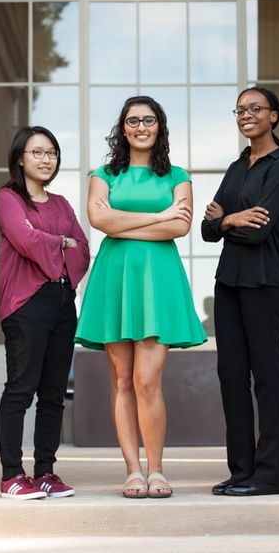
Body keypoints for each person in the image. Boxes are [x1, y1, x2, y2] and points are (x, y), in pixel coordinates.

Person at [75, 96, 207, 499]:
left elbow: (180, 228)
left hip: (157, 279)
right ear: (123, 127)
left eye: (149, 119)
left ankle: (157, 469)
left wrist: (126, 223)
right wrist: (158, 216)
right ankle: (132, 471)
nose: (141, 126)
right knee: (122, 380)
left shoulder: (178, 175)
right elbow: (99, 221)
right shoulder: (104, 173)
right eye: (133, 120)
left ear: (159, 126)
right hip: (115, 278)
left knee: (147, 380)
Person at [202, 86, 279, 497]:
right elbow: (206, 229)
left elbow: (259, 232)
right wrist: (231, 220)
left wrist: (229, 220)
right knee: (231, 374)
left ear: (273, 115)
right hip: (229, 283)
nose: (245, 115)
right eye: (239, 110)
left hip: (266, 281)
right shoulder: (238, 166)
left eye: (254, 109)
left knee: (267, 376)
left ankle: (271, 474)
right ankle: (242, 470)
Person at [0, 126, 90, 499]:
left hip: (63, 302)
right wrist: (59, 243)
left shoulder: (63, 203)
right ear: (20, 158)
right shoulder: (9, 198)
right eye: (37, 152)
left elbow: (82, 248)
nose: (45, 159)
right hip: (25, 303)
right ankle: (12, 475)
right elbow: (25, 239)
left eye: (51, 152)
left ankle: (46, 472)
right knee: (21, 389)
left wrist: (56, 244)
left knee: (53, 392)